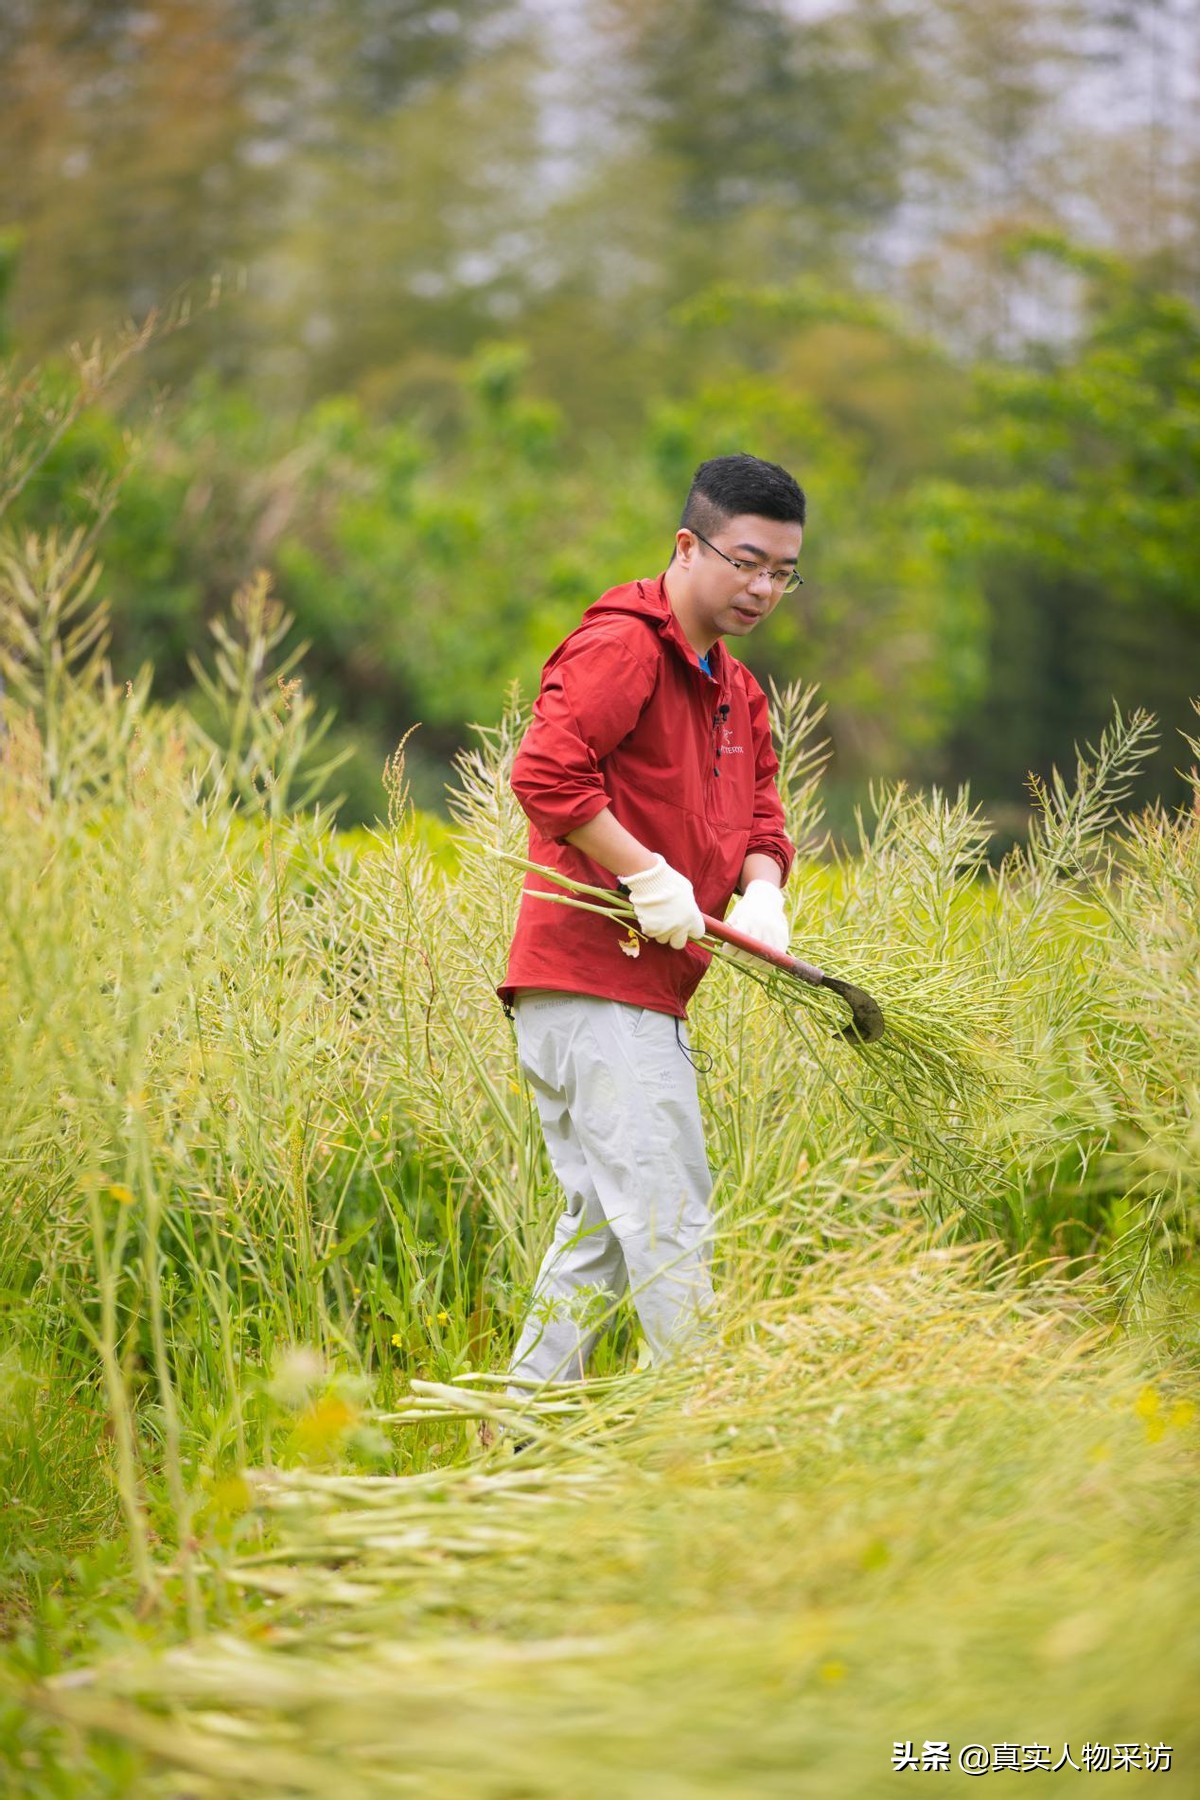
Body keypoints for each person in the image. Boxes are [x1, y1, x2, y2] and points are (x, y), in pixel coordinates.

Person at [499, 452, 805, 1391]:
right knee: (671, 1226)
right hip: (596, 984)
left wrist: (762, 888)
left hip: (639, 997)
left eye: (783, 573)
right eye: (746, 561)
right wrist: (646, 875)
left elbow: (763, 816)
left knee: (599, 1234)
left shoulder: (736, 688)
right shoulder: (624, 647)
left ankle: (515, 1448)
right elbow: (545, 774)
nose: (762, 588)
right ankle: (703, 1456)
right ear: (687, 544)